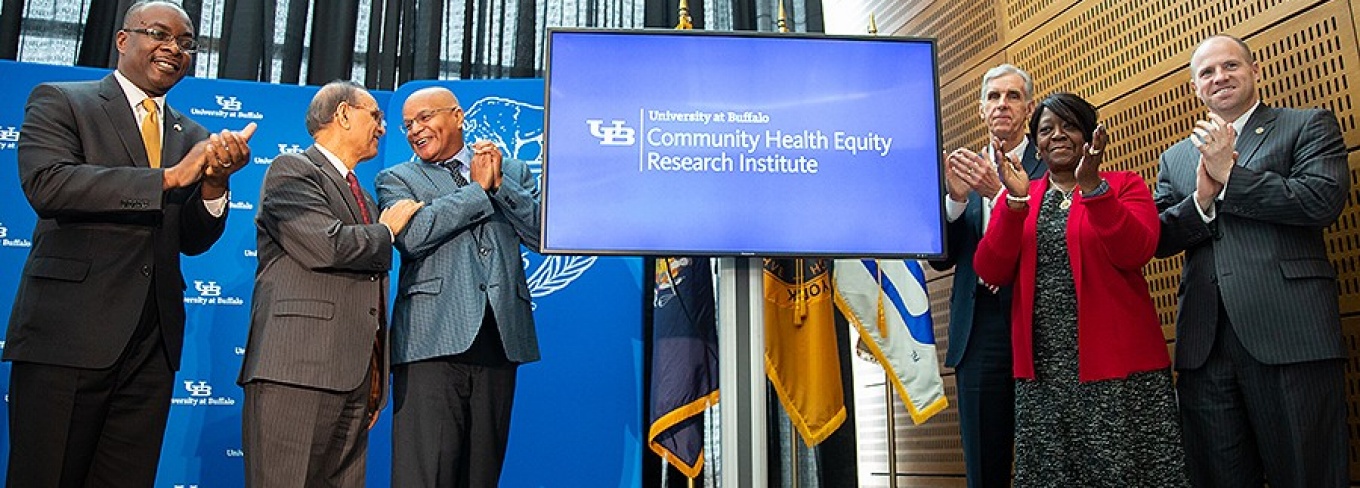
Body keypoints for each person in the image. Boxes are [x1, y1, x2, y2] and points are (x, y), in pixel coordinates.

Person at [4, 1, 255, 486]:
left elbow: (193, 240)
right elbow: (48, 184)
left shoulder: (192, 133)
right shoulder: (61, 100)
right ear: (123, 40)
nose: (174, 48)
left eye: (186, 43)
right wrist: (168, 178)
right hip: (68, 334)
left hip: (151, 345)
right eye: (160, 34)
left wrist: (214, 183)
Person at [1154, 34, 1349, 487]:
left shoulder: (1306, 125)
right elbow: (1158, 237)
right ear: (1195, 87)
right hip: (1205, 347)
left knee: (1308, 473)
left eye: (1231, 66)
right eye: (1207, 72)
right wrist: (1201, 201)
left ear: (1254, 71)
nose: (1219, 77)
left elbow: (1321, 200)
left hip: (1291, 335)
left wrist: (1231, 176)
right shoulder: (1176, 158)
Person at [974, 92, 1188, 486]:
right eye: (1046, 130)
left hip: (1119, 370)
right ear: (1036, 143)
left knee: (1125, 475)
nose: (1057, 135)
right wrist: (1015, 202)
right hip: (1044, 375)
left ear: (1090, 136)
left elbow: (1136, 251)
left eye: (1069, 126)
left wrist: (1093, 189)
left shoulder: (1123, 186)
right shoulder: (1022, 194)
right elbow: (990, 269)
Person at [237, 80, 422, 487]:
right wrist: (386, 232)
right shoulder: (292, 170)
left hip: (355, 380)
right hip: (297, 374)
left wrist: (376, 378)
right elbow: (326, 245)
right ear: (343, 114)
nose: (383, 126)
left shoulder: (365, 199)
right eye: (375, 115)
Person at [376, 86, 541, 487]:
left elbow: (543, 235)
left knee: (480, 474)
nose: (415, 130)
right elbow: (412, 237)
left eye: (425, 117)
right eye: (407, 125)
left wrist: (499, 185)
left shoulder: (512, 170)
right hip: (430, 342)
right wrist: (478, 190)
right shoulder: (396, 178)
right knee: (424, 475)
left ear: (458, 116)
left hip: (500, 340)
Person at [929, 63, 1044, 487]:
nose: (1002, 105)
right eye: (993, 97)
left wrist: (996, 192)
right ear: (981, 110)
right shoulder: (963, 170)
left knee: (1047, 459)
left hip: (1039, 322)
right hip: (979, 328)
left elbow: (1050, 234)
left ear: (1028, 108)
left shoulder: (1049, 163)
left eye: (1013, 96)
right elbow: (941, 260)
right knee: (984, 465)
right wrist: (955, 202)